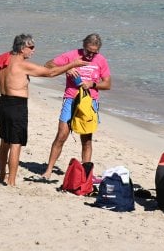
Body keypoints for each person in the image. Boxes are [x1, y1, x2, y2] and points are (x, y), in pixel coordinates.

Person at [0, 34, 89, 186]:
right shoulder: (22, 64)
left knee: (4, 141)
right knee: (15, 144)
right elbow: (50, 73)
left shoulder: (2, 59)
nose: (33, 51)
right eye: (31, 48)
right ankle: (11, 181)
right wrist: (72, 64)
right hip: (17, 105)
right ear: (22, 48)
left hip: (3, 103)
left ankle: (2, 176)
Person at [41, 33, 111, 180]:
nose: (91, 55)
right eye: (88, 51)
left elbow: (108, 84)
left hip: (89, 102)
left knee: (86, 139)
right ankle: (48, 170)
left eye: (94, 52)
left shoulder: (101, 60)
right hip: (71, 99)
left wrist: (93, 84)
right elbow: (48, 65)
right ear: (83, 46)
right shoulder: (72, 55)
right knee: (61, 135)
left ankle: (86, 174)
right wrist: (67, 68)